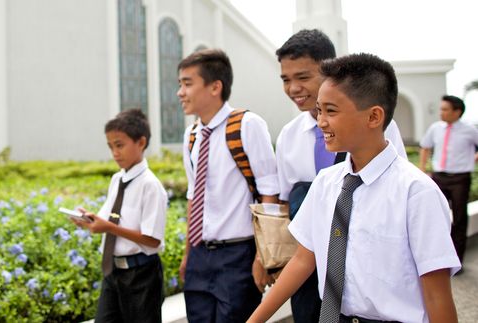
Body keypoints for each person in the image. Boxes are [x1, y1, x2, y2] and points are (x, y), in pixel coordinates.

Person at [249, 53, 460, 323]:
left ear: (373, 117)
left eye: (331, 111)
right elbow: (303, 260)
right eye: (319, 110)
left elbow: (437, 297)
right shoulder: (326, 183)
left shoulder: (416, 193)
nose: (321, 121)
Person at [274, 29, 407, 323]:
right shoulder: (289, 136)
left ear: (331, 69)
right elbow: (284, 206)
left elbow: (394, 192)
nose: (294, 88)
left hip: (363, 268)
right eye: (286, 79)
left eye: (303, 77)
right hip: (307, 268)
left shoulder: (377, 128)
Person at [177, 48, 279, 322]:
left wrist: (262, 257)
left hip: (238, 255)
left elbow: (270, 191)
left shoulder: (247, 125)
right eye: (180, 84)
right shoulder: (191, 135)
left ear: (215, 87)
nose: (180, 92)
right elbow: (193, 197)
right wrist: (188, 254)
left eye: (187, 83)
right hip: (200, 254)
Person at [71, 109, 167, 323]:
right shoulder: (117, 180)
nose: (115, 152)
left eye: (120, 145)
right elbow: (111, 220)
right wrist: (88, 220)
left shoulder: (150, 186)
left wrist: (108, 228)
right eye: (111, 146)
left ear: (141, 142)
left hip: (141, 275)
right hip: (113, 272)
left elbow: (152, 239)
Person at [420, 95, 478, 265]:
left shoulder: (470, 130)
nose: (441, 113)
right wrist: (423, 169)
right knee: (436, 217)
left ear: (457, 112)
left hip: (460, 178)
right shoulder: (435, 128)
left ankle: (457, 262)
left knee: (459, 218)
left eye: (445, 109)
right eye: (441, 109)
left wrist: (472, 159)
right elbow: (425, 146)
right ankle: (438, 260)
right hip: (439, 177)